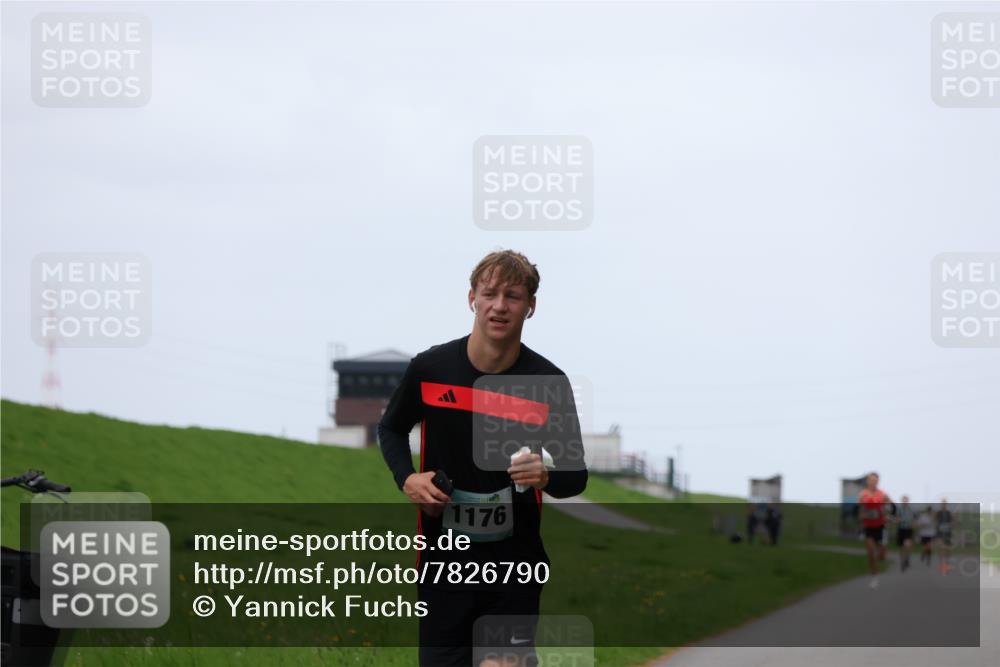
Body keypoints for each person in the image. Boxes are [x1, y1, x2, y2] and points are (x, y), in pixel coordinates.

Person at [377, 250, 588, 667]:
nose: (499, 305)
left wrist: (546, 475)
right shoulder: (431, 368)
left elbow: (576, 476)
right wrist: (407, 479)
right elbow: (391, 428)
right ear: (472, 298)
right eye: (489, 293)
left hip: (515, 564)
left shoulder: (548, 383)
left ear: (531, 306)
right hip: (444, 563)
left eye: (513, 295)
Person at [857, 472, 892, 589]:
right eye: (871, 480)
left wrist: (888, 515)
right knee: (870, 551)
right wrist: (863, 515)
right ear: (868, 481)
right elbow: (859, 510)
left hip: (881, 526)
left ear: (878, 481)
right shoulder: (863, 494)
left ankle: (881, 554)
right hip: (869, 527)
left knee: (881, 556)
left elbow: (892, 506)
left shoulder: (882, 494)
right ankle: (874, 577)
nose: (873, 482)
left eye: (875, 480)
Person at [894, 495, 917, 571]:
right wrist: (898, 520)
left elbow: (915, 519)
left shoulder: (911, 509)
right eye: (904, 500)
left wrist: (914, 524)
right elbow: (897, 519)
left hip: (908, 529)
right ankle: (902, 561)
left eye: (906, 500)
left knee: (907, 545)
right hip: (901, 529)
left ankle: (907, 558)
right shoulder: (899, 509)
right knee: (901, 547)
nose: (905, 502)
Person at [936, 499, 954, 571]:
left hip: (947, 532)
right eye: (943, 504)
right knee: (941, 547)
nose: (944, 505)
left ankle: (947, 563)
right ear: (941, 505)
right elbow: (934, 520)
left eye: (945, 504)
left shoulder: (949, 513)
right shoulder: (938, 513)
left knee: (947, 548)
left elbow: (953, 521)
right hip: (940, 532)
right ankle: (941, 564)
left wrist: (951, 524)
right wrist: (937, 525)